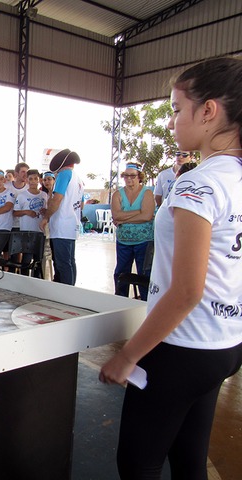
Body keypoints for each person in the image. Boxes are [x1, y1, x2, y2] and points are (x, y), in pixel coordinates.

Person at [99, 57, 242, 479]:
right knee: (188, 458)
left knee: (138, 463)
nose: (172, 121)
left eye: (177, 109)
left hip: (182, 347)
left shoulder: (199, 183)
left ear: (209, 111)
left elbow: (185, 291)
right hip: (225, 344)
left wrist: (129, 355)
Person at [39, 149, 84, 285]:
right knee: (70, 261)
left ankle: (66, 293)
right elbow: (81, 204)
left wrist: (46, 217)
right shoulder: (78, 178)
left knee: (63, 263)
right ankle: (71, 288)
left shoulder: (64, 174)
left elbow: (57, 198)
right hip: (72, 224)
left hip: (62, 224)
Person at [110, 162, 154, 300]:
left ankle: (145, 303)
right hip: (123, 241)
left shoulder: (147, 193)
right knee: (121, 273)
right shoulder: (118, 194)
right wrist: (138, 212)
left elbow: (147, 216)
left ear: (139, 177)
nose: (129, 179)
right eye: (126, 176)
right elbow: (116, 215)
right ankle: (119, 301)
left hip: (144, 241)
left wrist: (124, 219)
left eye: (133, 176)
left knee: (144, 273)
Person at [14, 169, 48, 276]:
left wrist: (45, 212)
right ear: (27, 180)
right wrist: (26, 212)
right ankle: (24, 280)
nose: (33, 181)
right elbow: (15, 213)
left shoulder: (44, 195)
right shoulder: (22, 195)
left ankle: (37, 280)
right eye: (31, 179)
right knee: (26, 259)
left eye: (35, 179)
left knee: (38, 259)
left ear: (39, 180)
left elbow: (48, 211)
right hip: (27, 232)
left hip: (40, 232)